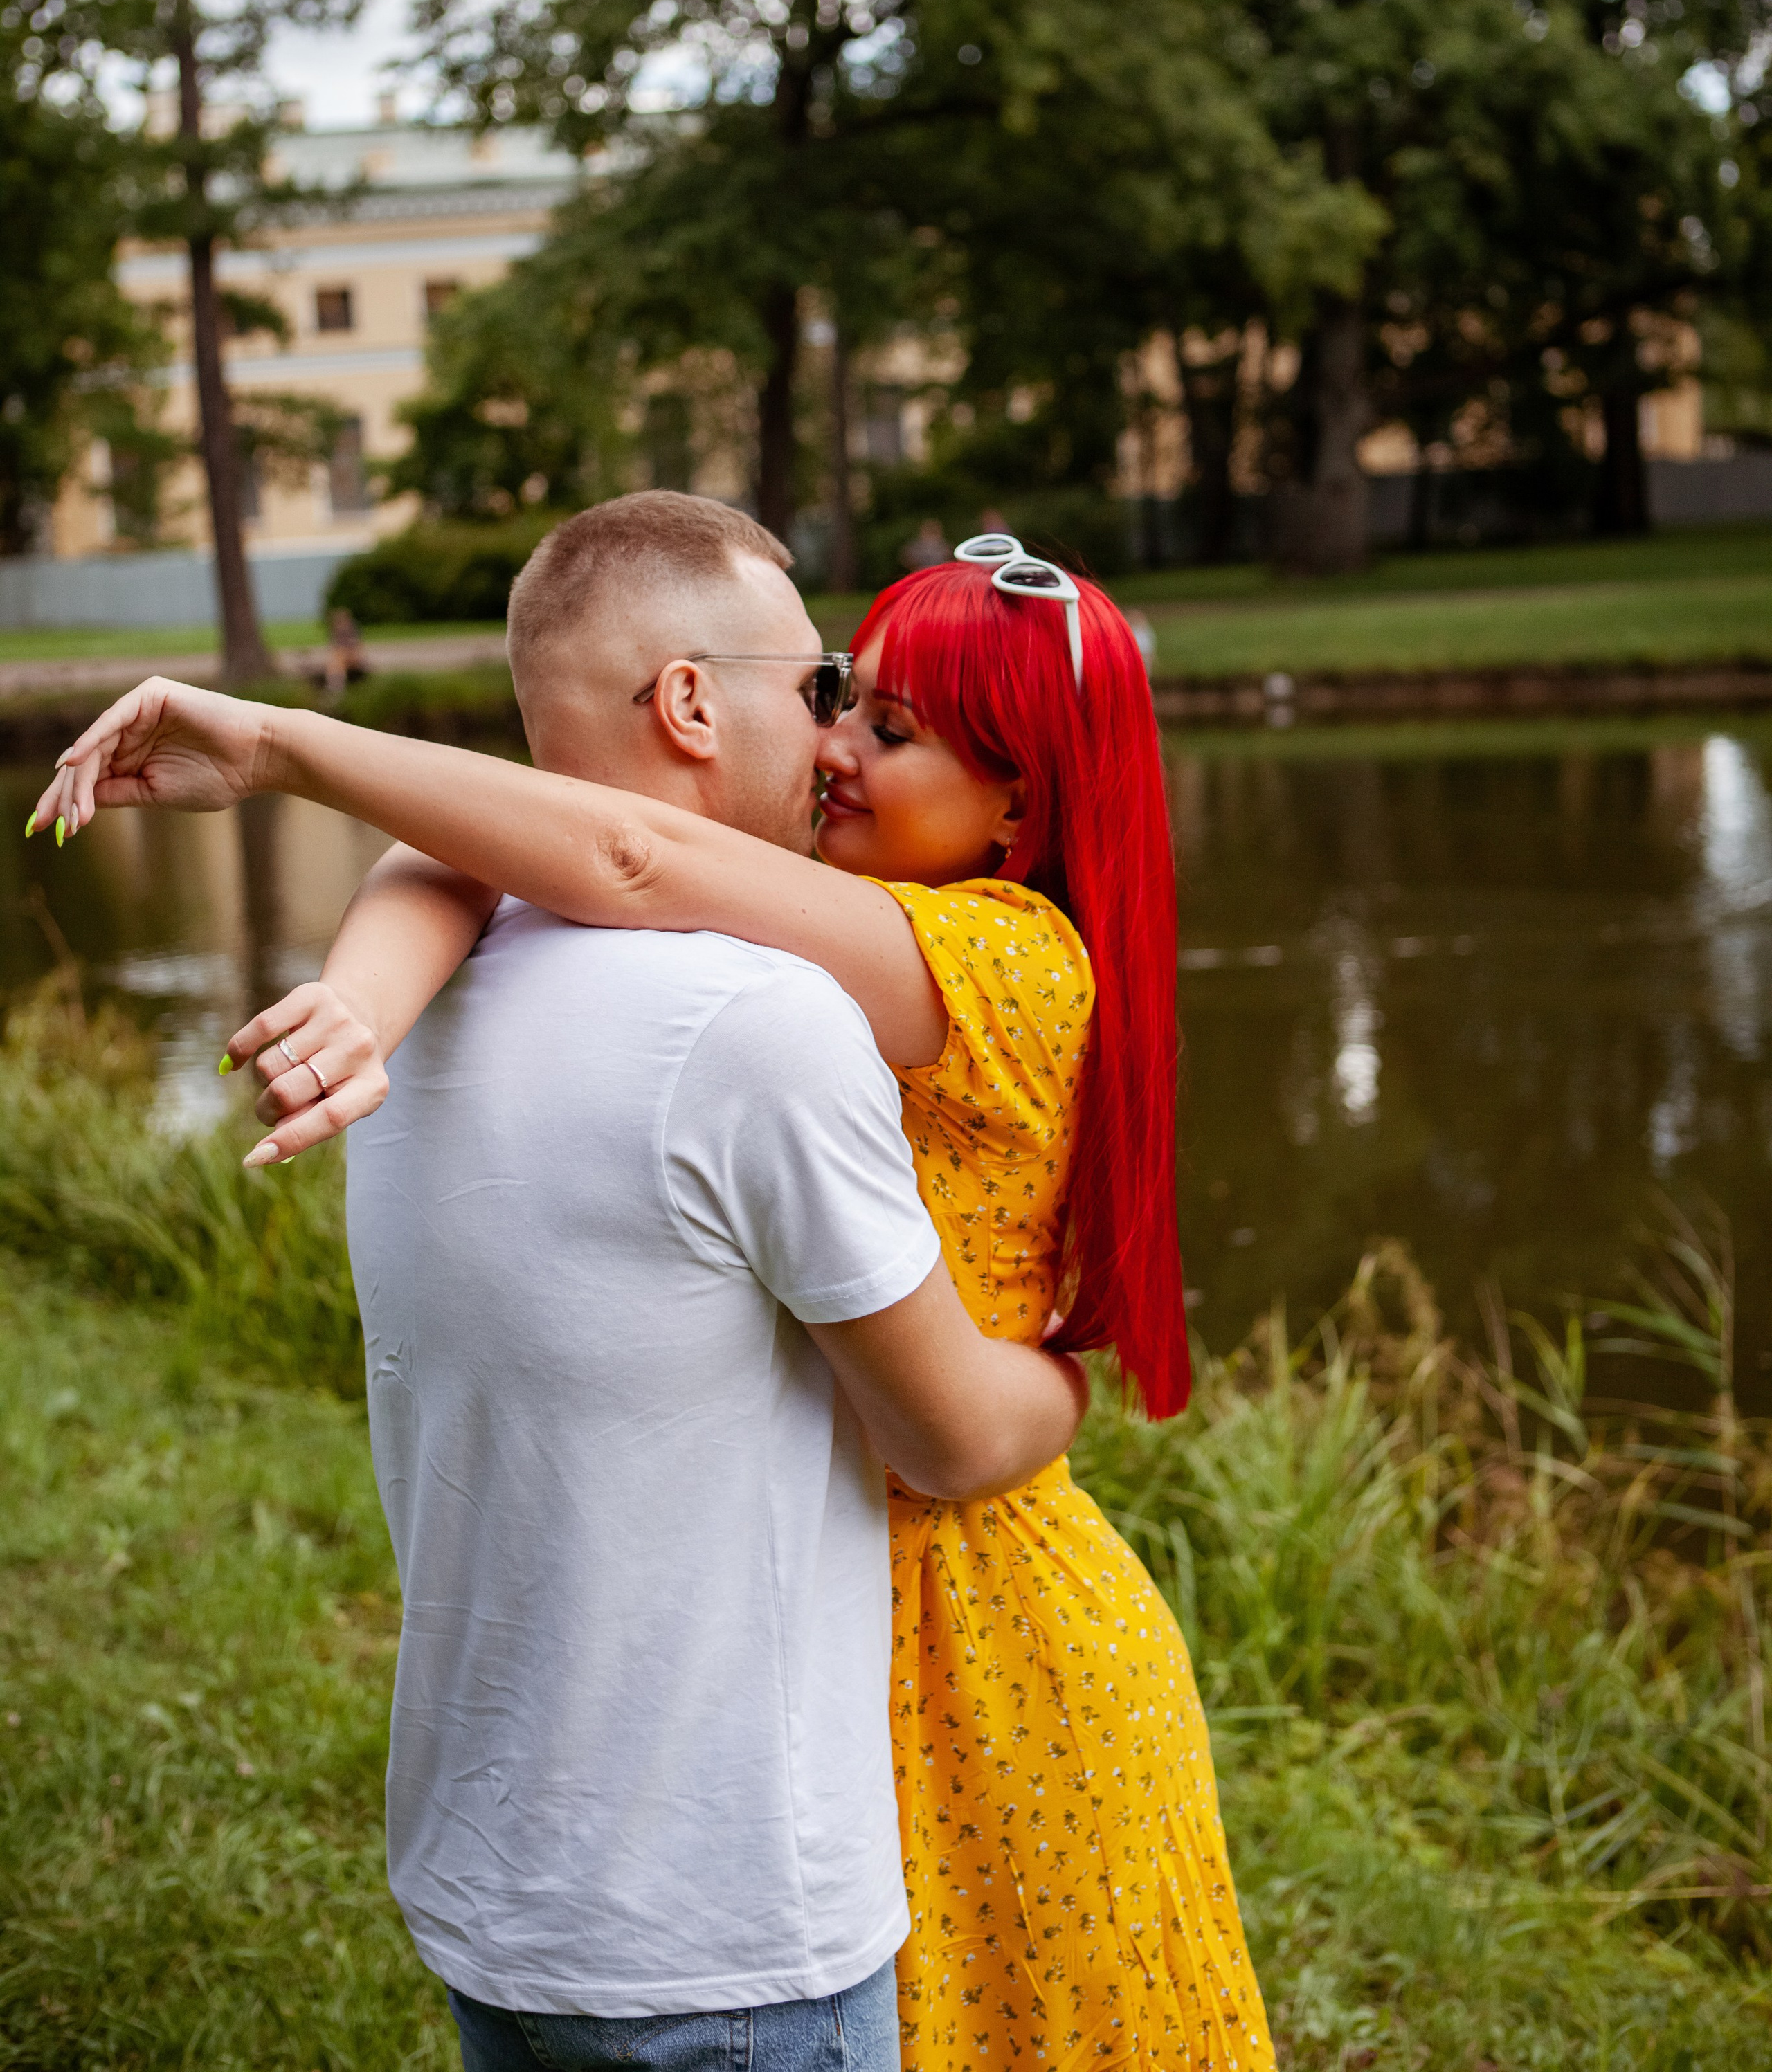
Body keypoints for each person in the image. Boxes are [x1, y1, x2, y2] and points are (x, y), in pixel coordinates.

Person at [37, 491, 1276, 2072]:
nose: (831, 745)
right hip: (834, 1592)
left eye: (883, 724)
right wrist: (360, 1000)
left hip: (979, 1627)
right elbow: (505, 845)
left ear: (1017, 812)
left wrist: (283, 749)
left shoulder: (1005, 960)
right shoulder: (812, 951)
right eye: (835, 696)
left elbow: (618, 844)